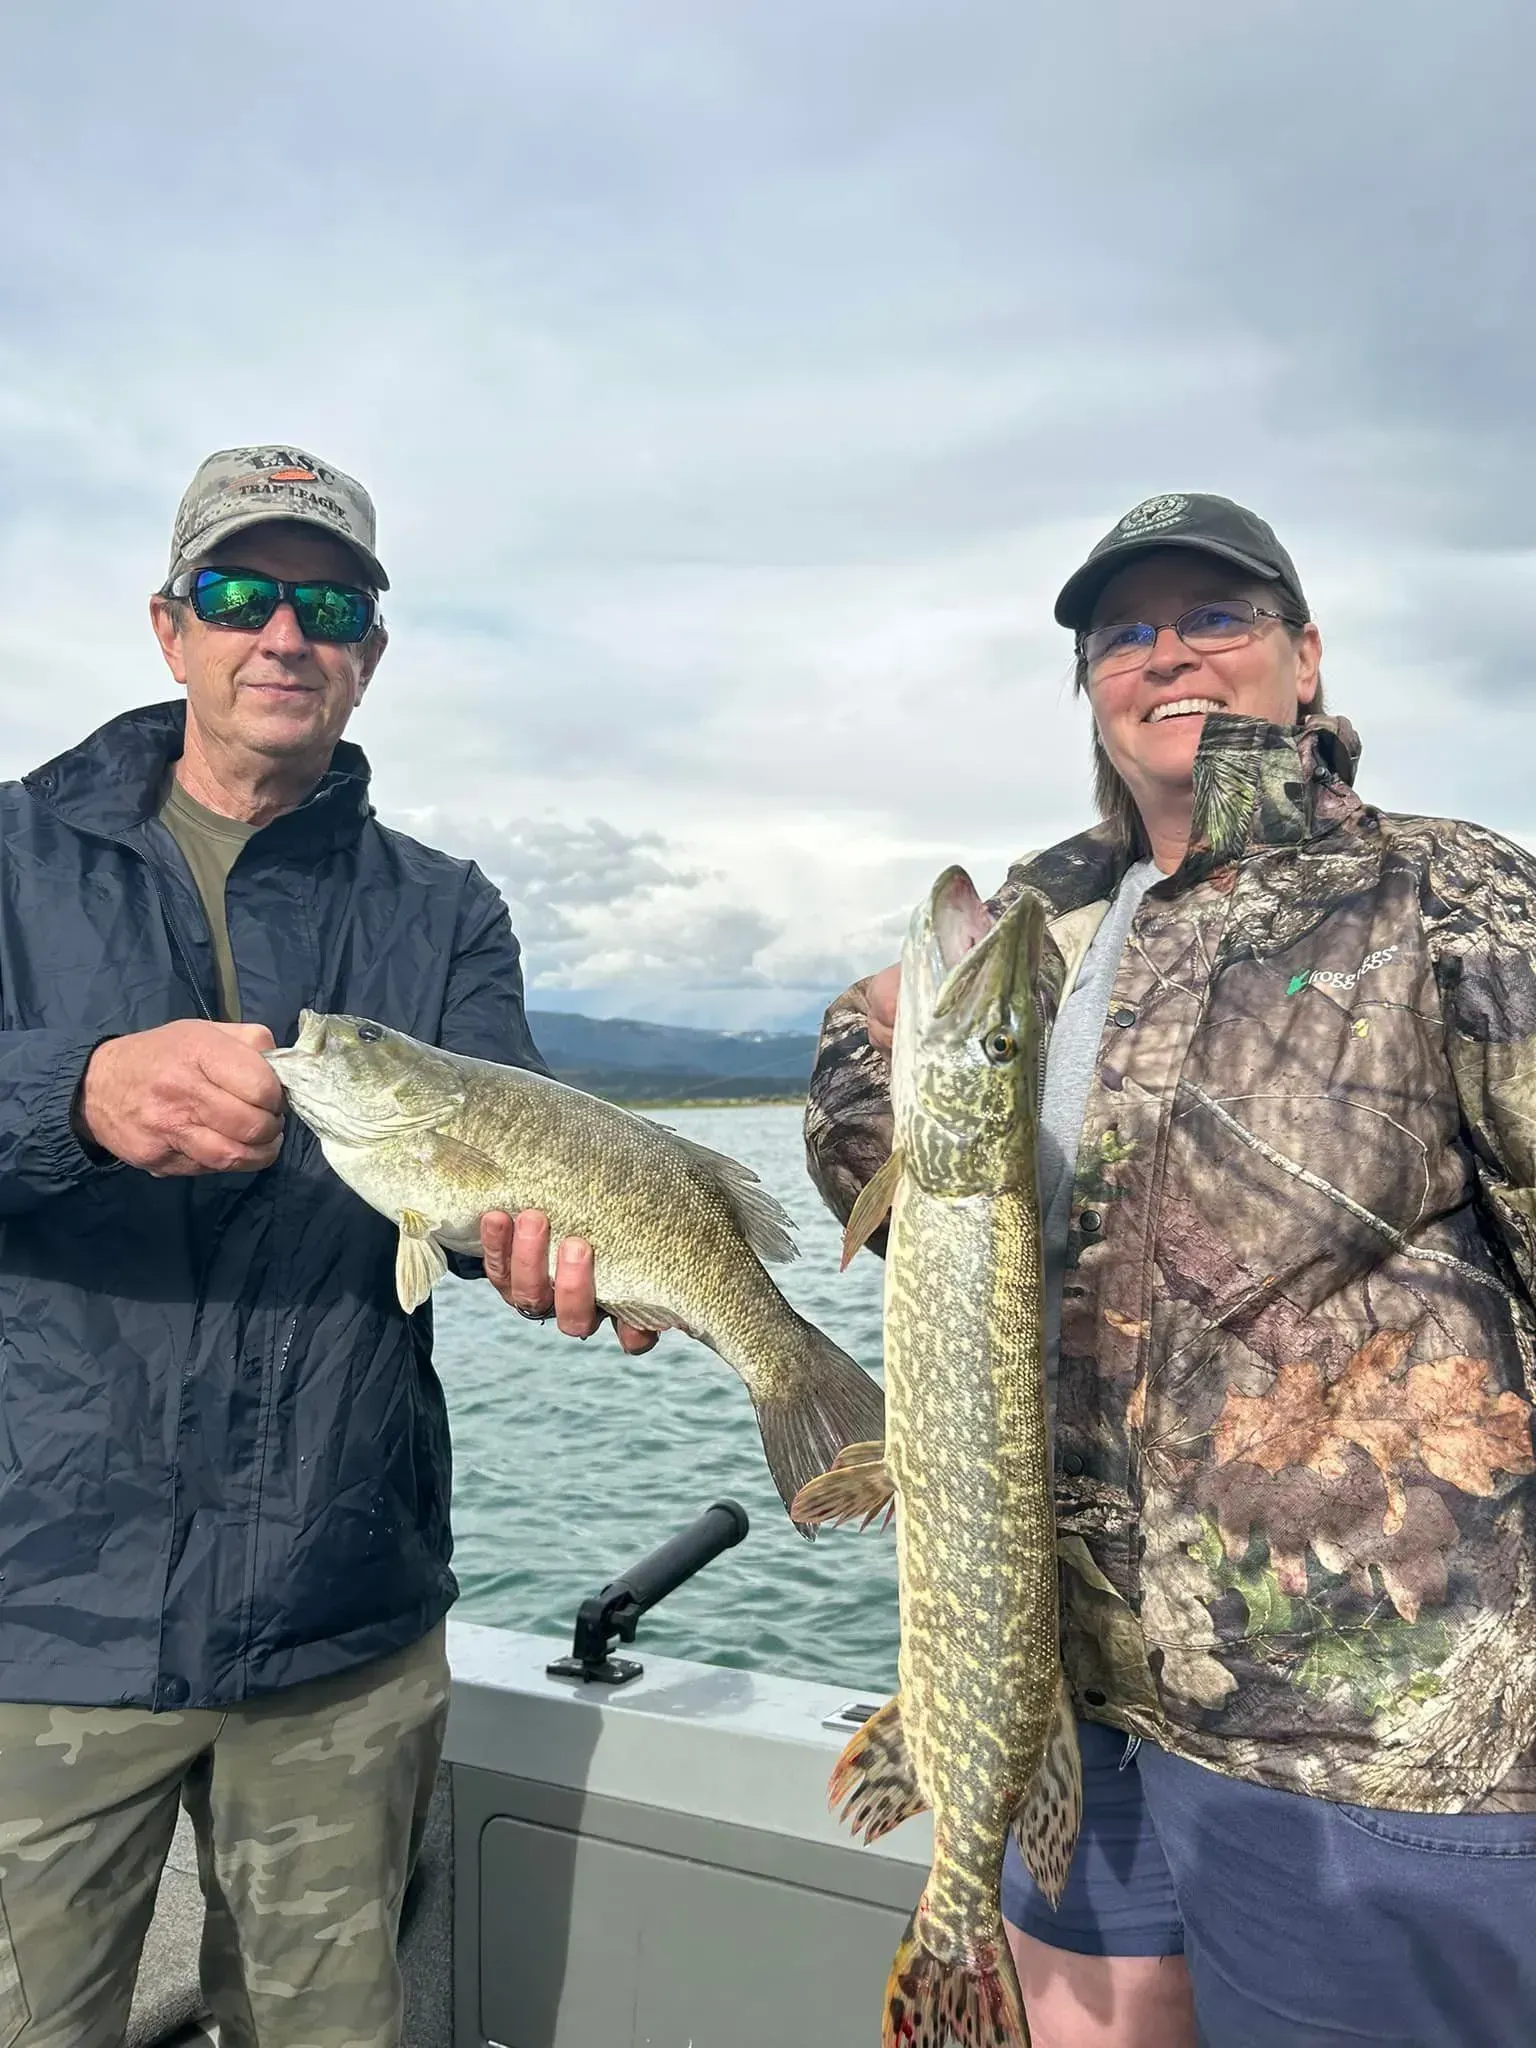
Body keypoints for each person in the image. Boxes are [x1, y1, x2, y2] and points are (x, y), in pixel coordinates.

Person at [804, 493, 1536, 2048]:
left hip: (1364, 1735)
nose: (1169, 655)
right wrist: (864, 1050)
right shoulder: (1047, 920)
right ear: (1089, 685)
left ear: (1307, 657)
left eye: (1219, 616)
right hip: (1064, 1688)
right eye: (1124, 633)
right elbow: (900, 1197)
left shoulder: (1448, 893)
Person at [0, 444, 651, 2048]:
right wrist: (71, 1095)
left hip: (340, 1628)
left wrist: (573, 1259)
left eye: (327, 603)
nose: (281, 634)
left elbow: (514, 1166)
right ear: (171, 631)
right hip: (42, 1609)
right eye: (239, 594)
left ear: (370, 651)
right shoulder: (10, 863)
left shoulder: (443, 912)